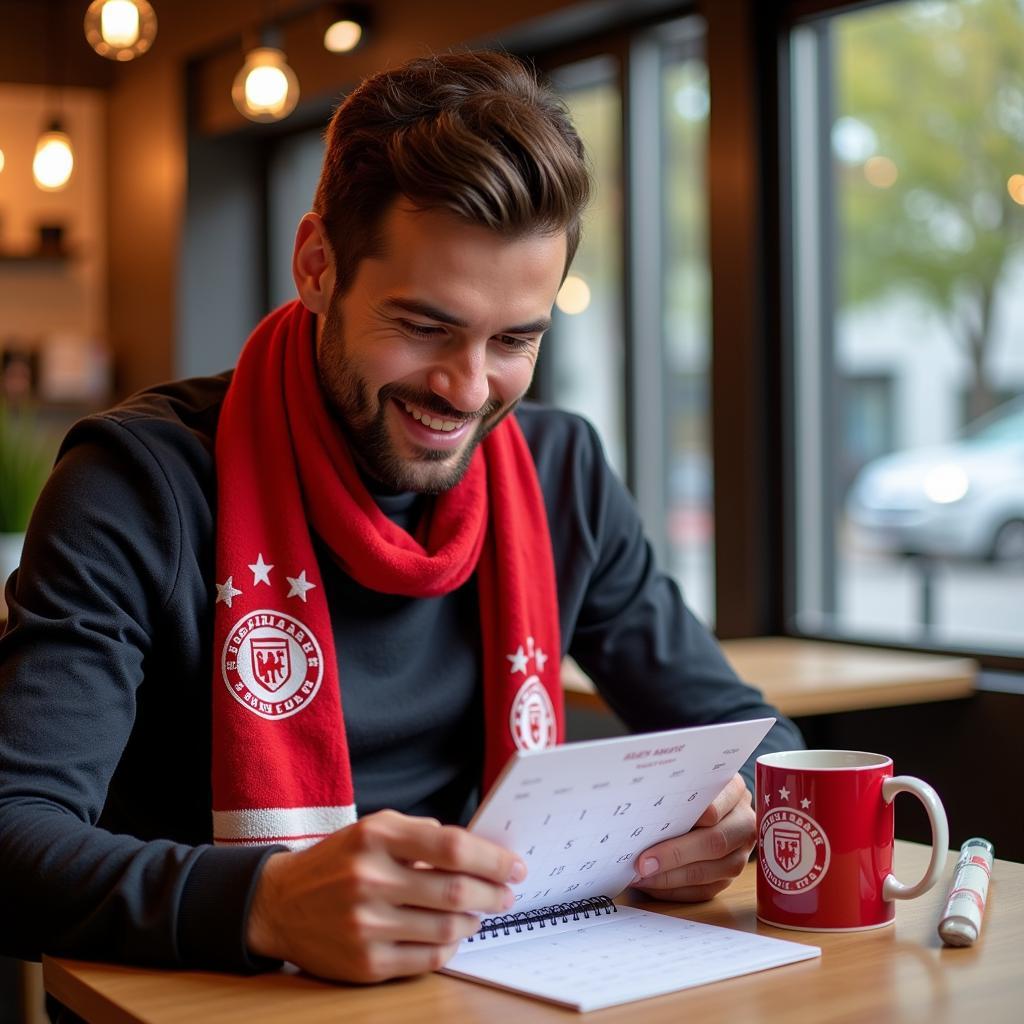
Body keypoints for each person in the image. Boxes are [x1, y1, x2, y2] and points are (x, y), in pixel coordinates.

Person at [0, 50, 802, 986]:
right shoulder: (138, 484)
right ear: (315, 266)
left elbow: (751, 734)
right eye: (423, 326)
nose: (466, 390)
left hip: (469, 984)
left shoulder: (561, 472)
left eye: (514, 340)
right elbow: (13, 834)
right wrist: (264, 902)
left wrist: (735, 811)